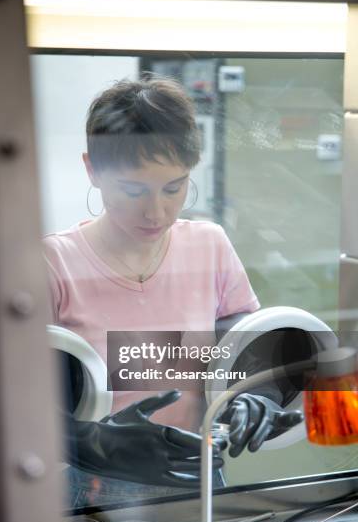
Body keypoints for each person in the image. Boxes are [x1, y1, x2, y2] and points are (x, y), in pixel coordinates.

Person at [43, 76, 302, 496]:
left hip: (195, 473)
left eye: (174, 187)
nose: (156, 211)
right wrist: (88, 444)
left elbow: (246, 348)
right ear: (92, 169)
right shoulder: (54, 264)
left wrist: (259, 392)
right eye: (133, 190)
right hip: (92, 488)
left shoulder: (209, 245)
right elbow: (10, 397)